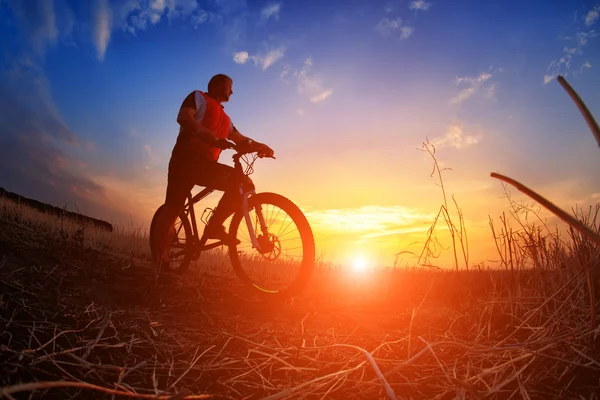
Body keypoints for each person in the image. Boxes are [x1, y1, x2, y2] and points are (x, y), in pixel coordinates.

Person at [153, 73, 274, 268]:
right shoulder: (199, 96)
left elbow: (241, 140)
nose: (232, 91)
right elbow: (184, 116)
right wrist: (204, 133)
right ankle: (160, 265)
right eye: (230, 86)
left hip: (206, 165)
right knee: (172, 209)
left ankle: (215, 226)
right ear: (217, 84)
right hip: (185, 159)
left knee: (241, 182)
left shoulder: (226, 119)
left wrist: (261, 146)